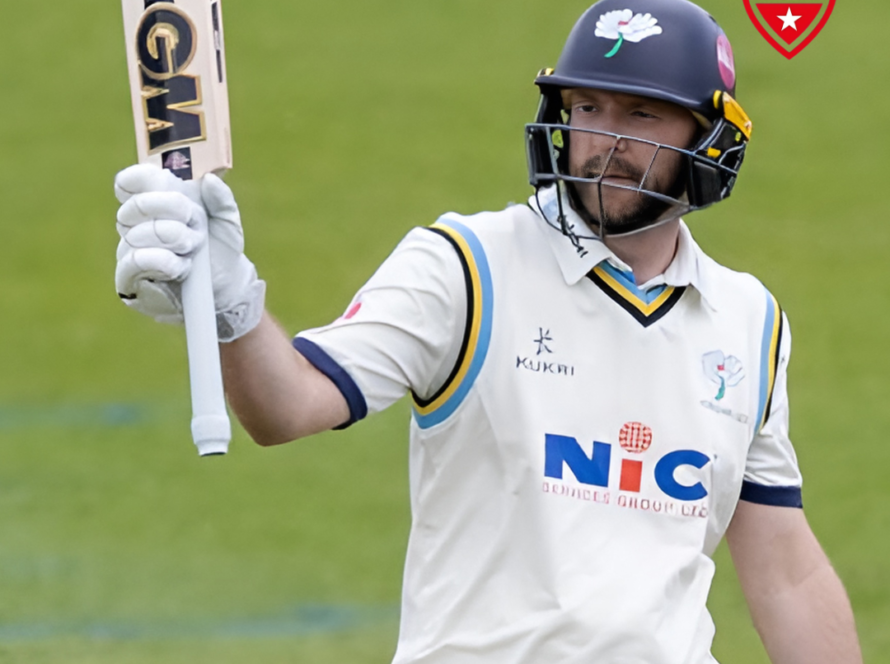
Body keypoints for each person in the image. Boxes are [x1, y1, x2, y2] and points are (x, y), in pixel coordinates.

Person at [112, 0, 863, 661]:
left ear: (707, 137)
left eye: (640, 115)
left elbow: (786, 570)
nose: (604, 141)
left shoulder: (749, 321)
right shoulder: (466, 268)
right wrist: (232, 302)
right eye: (588, 109)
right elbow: (290, 406)